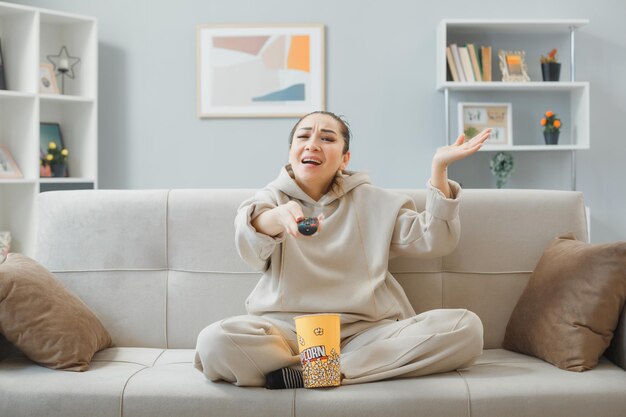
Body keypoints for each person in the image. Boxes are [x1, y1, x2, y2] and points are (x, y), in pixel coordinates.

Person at [194, 111, 491, 389]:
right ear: (291, 152)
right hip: (287, 333)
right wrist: (278, 218)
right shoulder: (271, 198)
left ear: (344, 158)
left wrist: (439, 168)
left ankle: (309, 374)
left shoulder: (375, 201)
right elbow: (251, 234)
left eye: (327, 138)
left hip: (366, 334)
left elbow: (435, 239)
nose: (313, 144)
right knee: (214, 341)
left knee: (466, 328)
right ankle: (324, 370)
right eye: (304, 136)